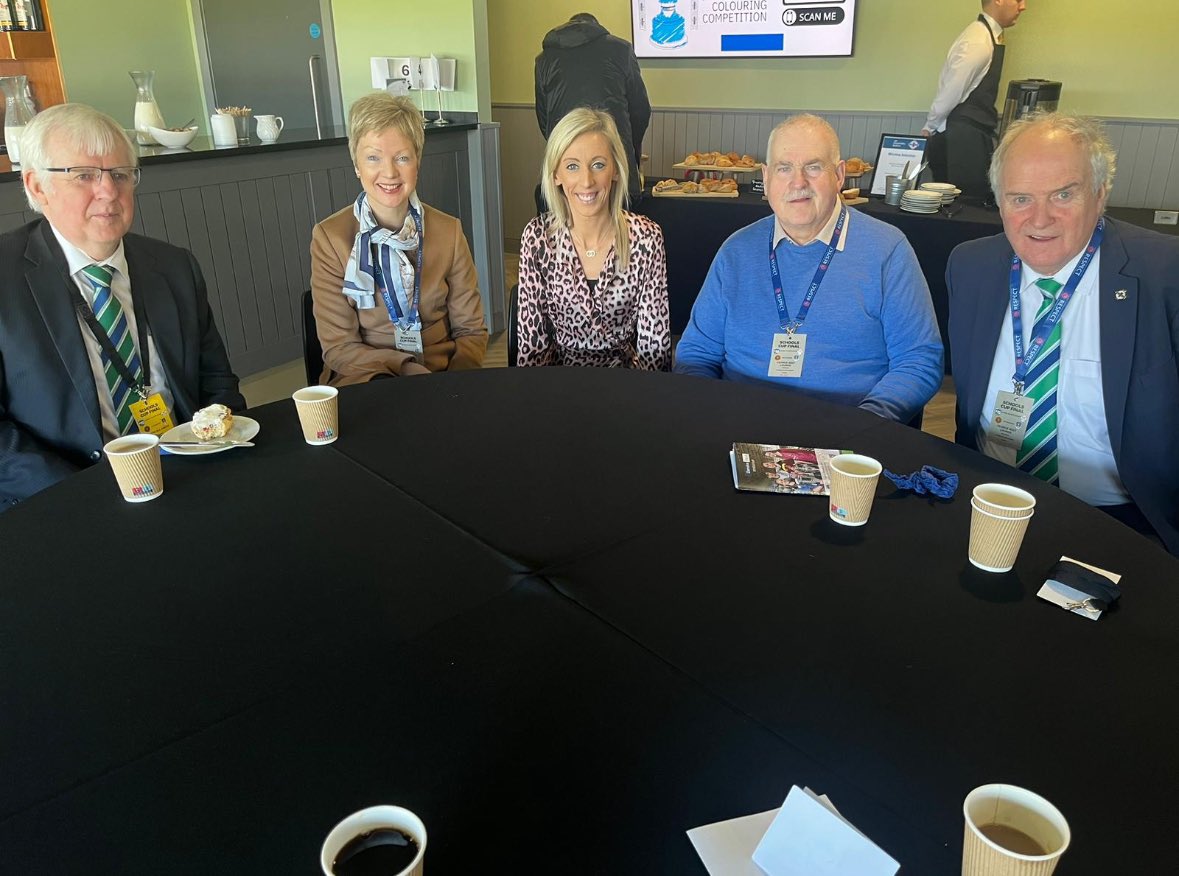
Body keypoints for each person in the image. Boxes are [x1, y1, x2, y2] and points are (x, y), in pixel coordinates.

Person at [947, 113, 1179, 555]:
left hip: (1121, 520)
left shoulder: (1165, 274)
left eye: (1063, 194)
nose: (1040, 218)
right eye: (1020, 198)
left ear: (1100, 194)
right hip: (989, 500)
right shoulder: (970, 265)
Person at [0, 103, 245, 511]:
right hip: (64, 497)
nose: (109, 192)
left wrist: (225, 456)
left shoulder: (173, 266)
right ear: (38, 187)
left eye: (119, 175)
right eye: (83, 176)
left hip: (184, 474)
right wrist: (87, 495)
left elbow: (216, 381)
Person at [674, 114, 944, 424]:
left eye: (813, 167)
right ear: (767, 176)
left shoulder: (887, 250)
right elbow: (697, 351)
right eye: (784, 168)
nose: (797, 182)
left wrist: (866, 425)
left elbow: (918, 358)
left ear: (839, 175)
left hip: (849, 435)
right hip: (741, 426)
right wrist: (713, 412)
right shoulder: (736, 251)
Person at [310, 93, 487, 385]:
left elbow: (471, 331)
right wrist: (404, 370)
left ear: (417, 162)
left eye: (402, 157)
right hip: (365, 377)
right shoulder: (329, 238)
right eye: (373, 158)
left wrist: (454, 389)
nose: (389, 172)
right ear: (357, 165)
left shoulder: (449, 231)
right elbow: (338, 348)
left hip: (441, 376)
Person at [516, 108, 670, 370]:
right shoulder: (537, 237)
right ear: (556, 175)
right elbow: (532, 346)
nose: (586, 181)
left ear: (616, 170)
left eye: (598, 165)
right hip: (557, 382)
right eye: (572, 166)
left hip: (626, 384)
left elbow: (654, 347)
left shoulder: (646, 238)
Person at [534, 12, 651, 211]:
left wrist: (567, 154)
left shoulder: (544, 59)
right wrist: (630, 150)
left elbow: (544, 120)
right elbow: (641, 112)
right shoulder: (621, 50)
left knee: (564, 229)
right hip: (612, 160)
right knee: (624, 230)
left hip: (566, 165)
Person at [922, 0, 1027, 199]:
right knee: (966, 205)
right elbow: (952, 89)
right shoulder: (978, 40)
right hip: (960, 141)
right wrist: (930, 126)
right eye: (1018, 0)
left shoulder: (989, 36)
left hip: (972, 135)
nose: (1023, 7)